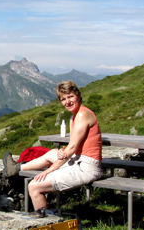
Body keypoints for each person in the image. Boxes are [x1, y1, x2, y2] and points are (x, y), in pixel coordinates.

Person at [21, 81, 99, 217]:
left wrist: (51, 169)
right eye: (63, 99)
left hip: (87, 167)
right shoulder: (74, 116)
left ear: (78, 96)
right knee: (52, 153)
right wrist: (64, 149)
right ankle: (17, 168)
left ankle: (46, 224)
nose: (67, 102)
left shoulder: (82, 115)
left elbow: (73, 147)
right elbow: (74, 145)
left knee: (34, 186)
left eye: (70, 97)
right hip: (79, 159)